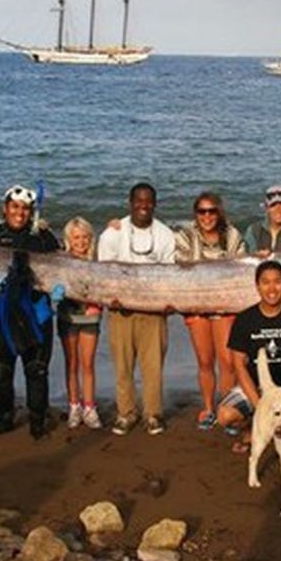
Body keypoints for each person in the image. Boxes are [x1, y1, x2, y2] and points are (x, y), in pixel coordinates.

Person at [0, 185, 60, 439]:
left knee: (36, 370)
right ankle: (4, 418)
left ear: (31, 212)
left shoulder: (43, 238)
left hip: (35, 311)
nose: (20, 213)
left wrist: (59, 288)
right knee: (0, 372)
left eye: (25, 209)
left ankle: (37, 421)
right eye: (15, 207)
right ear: (5, 209)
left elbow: (60, 270)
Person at [96, 182, 177, 435]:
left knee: (153, 367)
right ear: (130, 203)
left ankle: (153, 414)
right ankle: (126, 413)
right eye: (139, 201)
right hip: (121, 310)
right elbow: (104, 271)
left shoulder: (165, 234)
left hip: (154, 311)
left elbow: (170, 274)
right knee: (123, 365)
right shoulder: (112, 233)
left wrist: (167, 303)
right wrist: (111, 298)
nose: (144, 206)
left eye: (148, 201)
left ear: (155, 203)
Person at [217, 260, 281, 453]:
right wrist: (261, 409)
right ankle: (253, 430)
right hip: (257, 387)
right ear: (257, 286)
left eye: (277, 282)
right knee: (225, 415)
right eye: (265, 282)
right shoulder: (244, 319)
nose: (272, 288)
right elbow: (239, 366)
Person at [174, 191, 246, 430]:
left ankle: (227, 408)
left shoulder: (232, 235)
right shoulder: (185, 236)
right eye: (202, 211)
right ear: (196, 214)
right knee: (205, 360)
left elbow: (242, 268)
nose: (207, 216)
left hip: (225, 306)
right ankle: (207, 407)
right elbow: (179, 270)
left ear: (219, 212)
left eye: (211, 211)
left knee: (227, 362)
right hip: (196, 305)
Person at [58, 217, 104, 430]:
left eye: (85, 237)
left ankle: (89, 407)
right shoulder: (61, 259)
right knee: (72, 363)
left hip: (90, 317)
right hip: (67, 316)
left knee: (88, 364)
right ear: (69, 239)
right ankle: (74, 406)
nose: (81, 241)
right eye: (76, 237)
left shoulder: (96, 261)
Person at [243, 185, 281, 256]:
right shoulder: (253, 231)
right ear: (267, 208)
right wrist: (255, 255)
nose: (278, 209)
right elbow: (244, 257)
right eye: (273, 205)